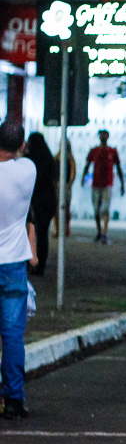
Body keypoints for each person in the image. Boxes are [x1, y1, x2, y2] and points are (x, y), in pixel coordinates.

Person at [0, 119, 37, 420]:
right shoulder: (28, 171)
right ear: (22, 146)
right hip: (13, 264)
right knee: (13, 335)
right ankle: (14, 397)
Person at [81, 129, 124, 244]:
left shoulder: (112, 151)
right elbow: (87, 165)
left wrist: (122, 183)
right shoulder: (94, 151)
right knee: (96, 209)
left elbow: (118, 168)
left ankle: (104, 232)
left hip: (107, 184)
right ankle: (100, 231)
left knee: (105, 208)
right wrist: (83, 177)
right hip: (96, 184)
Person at [24, 133, 58, 276]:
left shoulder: (28, 161)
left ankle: (29, 262)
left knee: (29, 232)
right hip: (48, 200)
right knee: (43, 234)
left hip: (33, 200)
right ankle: (40, 265)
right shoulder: (50, 160)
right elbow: (55, 182)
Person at [53, 139, 76, 238]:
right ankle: (57, 229)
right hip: (58, 184)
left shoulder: (69, 158)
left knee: (66, 208)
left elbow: (73, 171)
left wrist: (70, 183)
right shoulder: (57, 157)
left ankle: (66, 228)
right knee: (56, 209)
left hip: (65, 185)